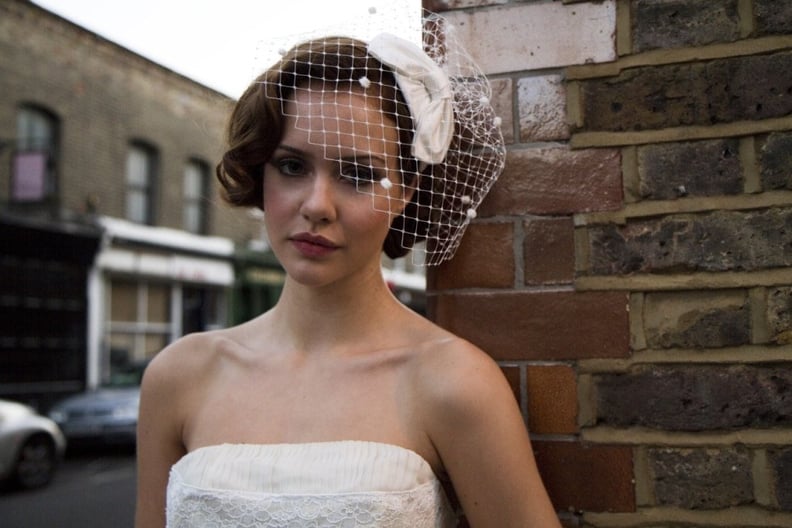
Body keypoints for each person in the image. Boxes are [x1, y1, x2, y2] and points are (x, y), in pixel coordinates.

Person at [135, 12, 561, 528]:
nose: (317, 205)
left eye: (358, 175)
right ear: (260, 173)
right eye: (292, 167)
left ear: (406, 193)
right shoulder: (180, 376)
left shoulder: (452, 382)